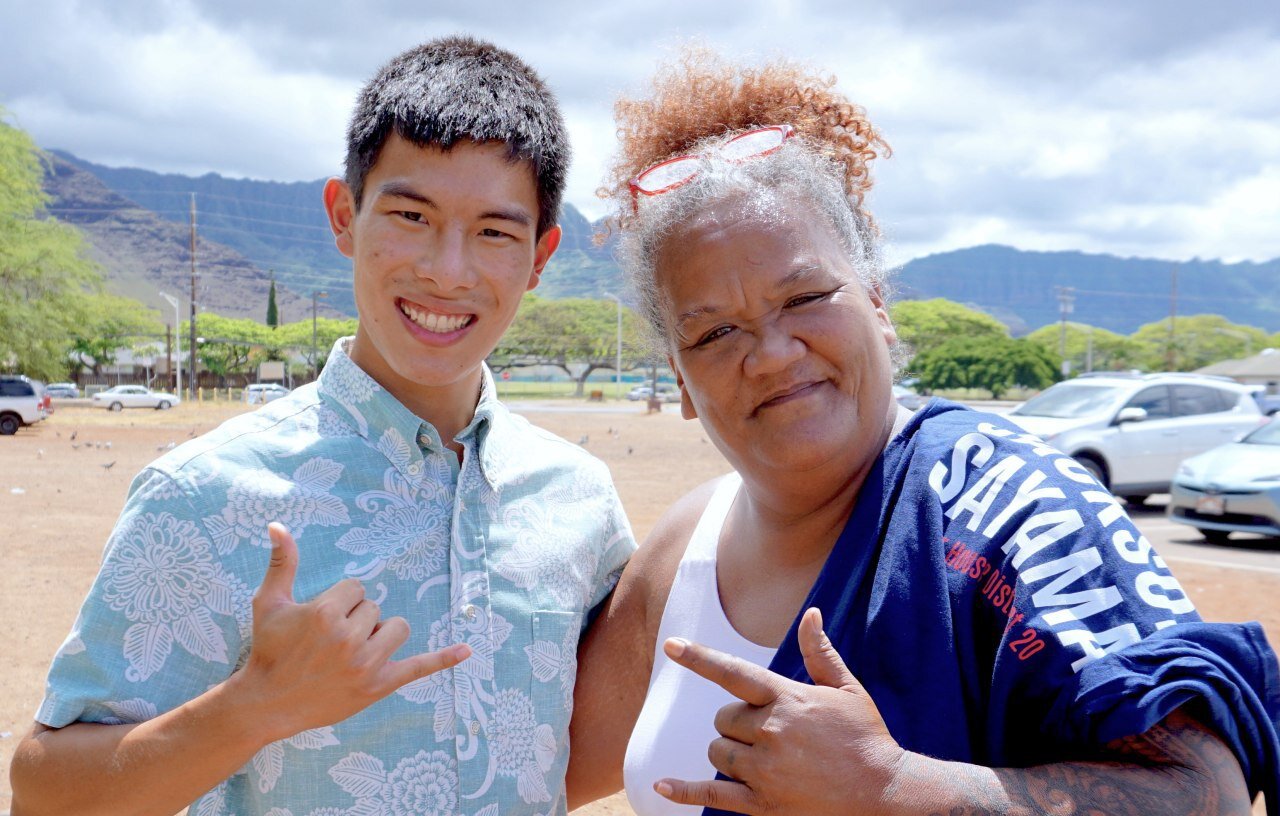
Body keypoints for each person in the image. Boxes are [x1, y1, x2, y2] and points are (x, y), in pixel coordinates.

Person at [567, 51, 1280, 815]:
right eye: (713, 334)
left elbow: (1207, 796)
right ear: (678, 377)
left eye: (806, 295)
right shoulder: (681, 553)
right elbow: (535, 767)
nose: (771, 354)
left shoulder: (1012, 512)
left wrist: (892, 786)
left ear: (877, 302)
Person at [11, 36, 634, 815]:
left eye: (495, 233)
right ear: (345, 215)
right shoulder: (205, 493)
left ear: (540, 258)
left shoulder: (580, 501)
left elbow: (574, 754)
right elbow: (42, 791)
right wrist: (253, 708)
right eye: (412, 215)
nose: (448, 269)